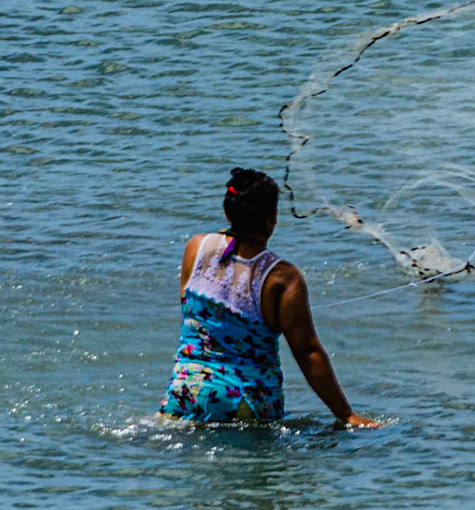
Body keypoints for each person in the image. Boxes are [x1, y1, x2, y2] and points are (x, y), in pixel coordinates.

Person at [160, 168, 379, 428]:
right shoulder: (282, 277)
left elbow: (192, 312)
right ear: (272, 219)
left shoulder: (196, 249)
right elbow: (307, 351)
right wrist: (347, 415)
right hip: (249, 403)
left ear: (227, 213)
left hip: (187, 395)